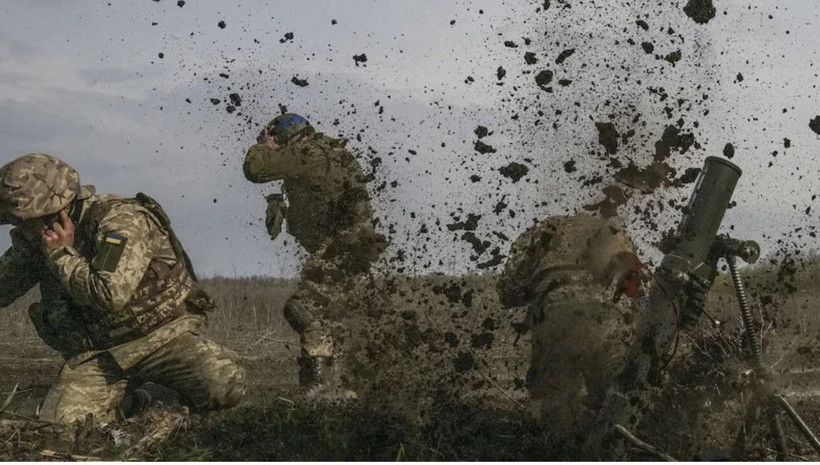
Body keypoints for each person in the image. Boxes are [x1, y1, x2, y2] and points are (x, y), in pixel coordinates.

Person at [0, 153, 246, 424]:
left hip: (162, 339)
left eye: (23, 220)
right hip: (100, 355)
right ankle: (138, 400)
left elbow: (109, 294)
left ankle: (163, 394)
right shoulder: (38, 238)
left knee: (224, 384)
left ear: (54, 211)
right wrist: (25, 252)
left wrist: (61, 256)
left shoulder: (121, 222)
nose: (18, 227)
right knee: (62, 425)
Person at [244, 113, 386, 399]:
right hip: (351, 251)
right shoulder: (331, 153)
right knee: (334, 318)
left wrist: (263, 146)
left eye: (279, 141)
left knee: (303, 309)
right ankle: (348, 388)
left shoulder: (308, 152)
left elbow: (256, 169)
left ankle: (319, 385)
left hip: (343, 250)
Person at [497, 213, 644, 443]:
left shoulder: (544, 229)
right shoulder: (615, 231)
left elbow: (508, 290)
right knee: (615, 396)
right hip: (608, 317)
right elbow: (637, 288)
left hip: (556, 312)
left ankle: (561, 449)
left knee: (556, 401)